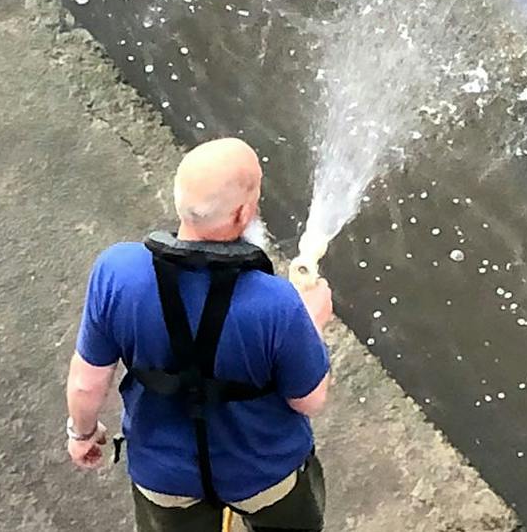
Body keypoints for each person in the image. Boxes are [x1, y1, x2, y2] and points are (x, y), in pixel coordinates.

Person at [65, 137, 336, 531]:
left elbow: (86, 384)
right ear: (242, 213)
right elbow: (309, 401)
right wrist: (309, 323)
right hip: (263, 473)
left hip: (164, 477)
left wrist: (82, 434)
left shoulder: (117, 273)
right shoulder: (277, 303)